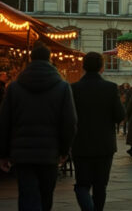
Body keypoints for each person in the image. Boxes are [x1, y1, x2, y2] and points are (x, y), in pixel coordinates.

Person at [0, 42, 77, 210]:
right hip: (50, 152)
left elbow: (4, 122)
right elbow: (69, 123)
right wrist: (64, 151)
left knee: (27, 194)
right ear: (49, 59)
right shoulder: (63, 87)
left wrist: (4, 153)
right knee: (45, 195)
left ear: (30, 59)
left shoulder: (14, 87)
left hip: (22, 153)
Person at [71, 52, 125, 211]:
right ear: (102, 67)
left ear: (83, 66)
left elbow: (68, 117)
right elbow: (120, 115)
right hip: (104, 144)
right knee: (100, 186)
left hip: (80, 143)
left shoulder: (73, 88)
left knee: (81, 184)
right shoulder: (110, 88)